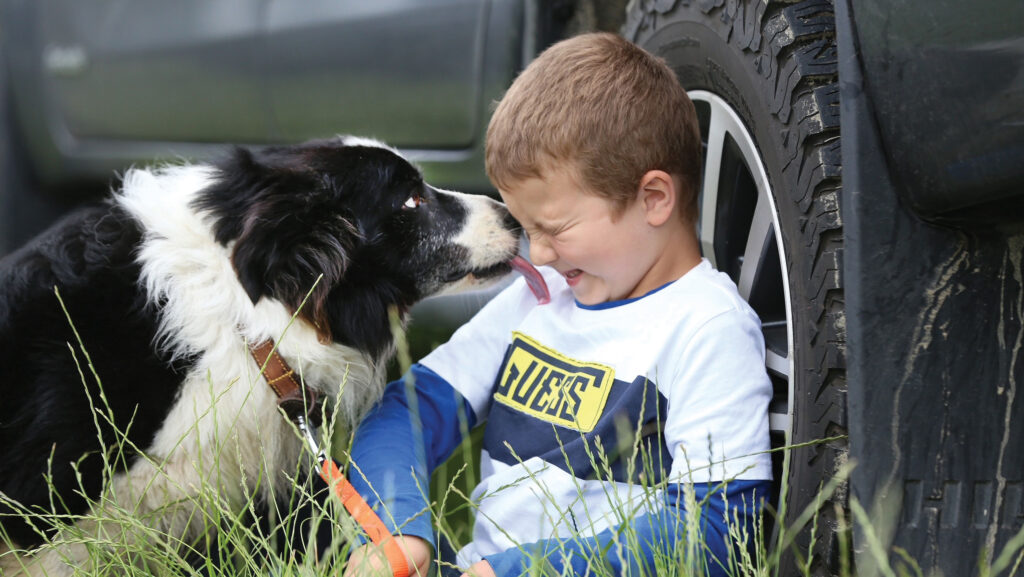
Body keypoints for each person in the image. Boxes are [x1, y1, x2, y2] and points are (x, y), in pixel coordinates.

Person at [343, 32, 772, 577]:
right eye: (527, 229)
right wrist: (396, 531)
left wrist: (523, 570)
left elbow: (714, 531)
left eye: (556, 229)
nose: (536, 255)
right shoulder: (539, 298)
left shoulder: (708, 328)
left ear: (654, 198)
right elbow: (405, 413)